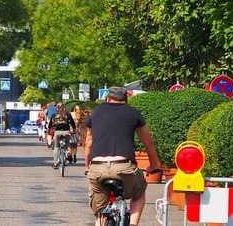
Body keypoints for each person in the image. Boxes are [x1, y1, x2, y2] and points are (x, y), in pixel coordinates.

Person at [84, 87, 160, 226]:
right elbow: (148, 143)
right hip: (124, 167)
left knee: (101, 212)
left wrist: (87, 166)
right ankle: (133, 224)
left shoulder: (97, 112)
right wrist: (153, 166)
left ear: (107, 99)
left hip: (98, 167)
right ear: (126, 100)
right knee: (139, 193)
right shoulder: (133, 112)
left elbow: (88, 142)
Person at [48, 102, 75, 169]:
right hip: (66, 132)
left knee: (56, 146)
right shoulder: (67, 114)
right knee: (68, 144)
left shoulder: (54, 115)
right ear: (64, 107)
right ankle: (68, 152)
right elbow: (72, 123)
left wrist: (49, 131)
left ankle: (55, 163)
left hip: (57, 132)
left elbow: (50, 124)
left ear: (57, 108)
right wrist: (74, 129)